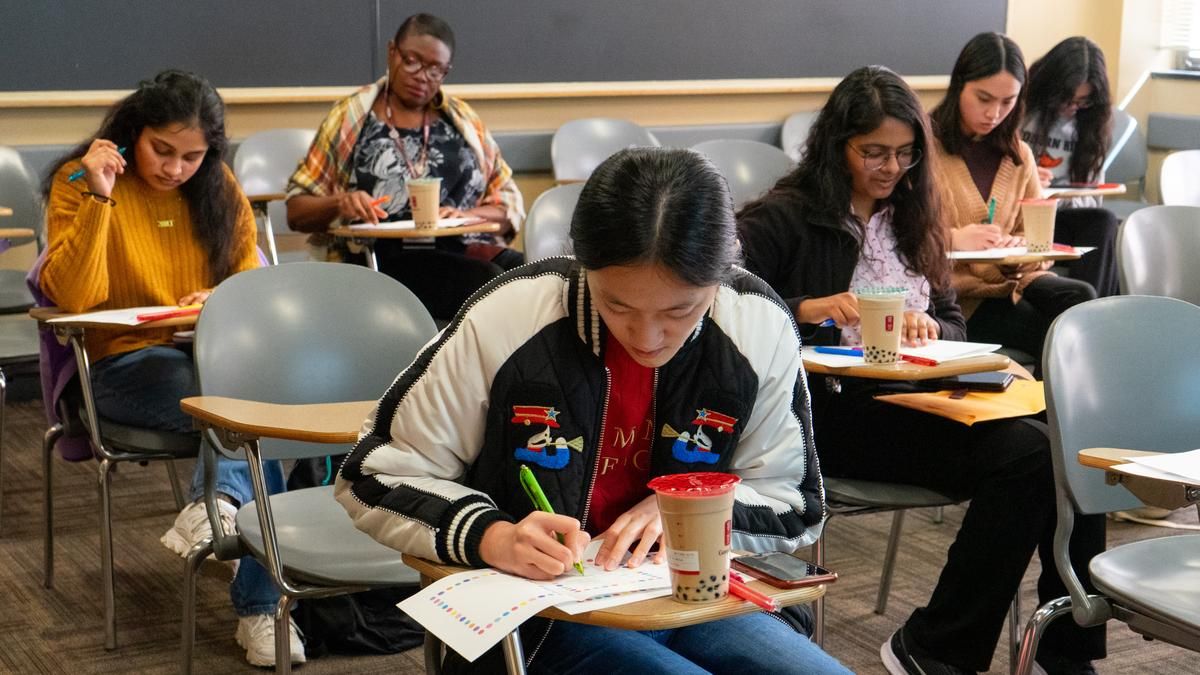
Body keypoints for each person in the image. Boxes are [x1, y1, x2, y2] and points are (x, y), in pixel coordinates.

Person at [334, 147, 848, 674]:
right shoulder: (510, 316)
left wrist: (695, 512)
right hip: (537, 612)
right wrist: (494, 536)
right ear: (583, 265)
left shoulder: (756, 323)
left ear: (721, 276)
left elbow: (794, 502)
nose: (647, 337)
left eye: (680, 310)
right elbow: (374, 475)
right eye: (617, 305)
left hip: (693, 594)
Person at [737, 65, 1105, 675]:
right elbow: (728, 302)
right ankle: (935, 647)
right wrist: (806, 309)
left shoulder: (914, 214)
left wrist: (934, 330)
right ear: (837, 148)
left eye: (905, 154)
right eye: (873, 153)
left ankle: (1066, 644)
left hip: (926, 395)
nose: (890, 168)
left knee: (1074, 440)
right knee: (1028, 459)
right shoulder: (787, 216)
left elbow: (955, 320)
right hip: (834, 414)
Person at [39, 70, 302, 668]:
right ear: (133, 134)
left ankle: (219, 512)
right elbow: (75, 299)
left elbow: (251, 290)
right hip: (118, 366)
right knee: (248, 410)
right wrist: (102, 194)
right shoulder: (78, 180)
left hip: (209, 362)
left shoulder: (218, 188)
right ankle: (261, 605)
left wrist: (221, 302)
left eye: (192, 156)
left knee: (284, 413)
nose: (175, 169)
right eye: (162, 150)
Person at [286, 12, 525, 321]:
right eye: (412, 60)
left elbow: (507, 205)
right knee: (486, 280)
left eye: (435, 69)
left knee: (528, 273)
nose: (422, 76)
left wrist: (467, 216)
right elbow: (296, 210)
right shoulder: (352, 117)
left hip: (458, 247)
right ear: (391, 53)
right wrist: (342, 203)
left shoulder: (464, 121)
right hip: (380, 260)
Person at [930, 32, 1097, 369]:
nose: (994, 113)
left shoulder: (1018, 154)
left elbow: (1037, 240)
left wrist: (1018, 249)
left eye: (1007, 102)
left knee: (1082, 302)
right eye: (983, 98)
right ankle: (1046, 414)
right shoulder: (927, 146)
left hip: (1010, 284)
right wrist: (953, 239)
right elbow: (892, 237)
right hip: (954, 299)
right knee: (1060, 338)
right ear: (959, 86)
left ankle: (1061, 417)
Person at [1022, 36, 1120, 297]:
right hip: (1019, 217)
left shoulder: (1092, 123)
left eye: (1082, 101)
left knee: (1106, 223)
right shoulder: (1021, 109)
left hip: (1060, 216)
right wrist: (1029, 180)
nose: (1072, 108)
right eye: (1066, 99)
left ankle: (1090, 313)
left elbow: (1092, 198)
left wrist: (1057, 197)